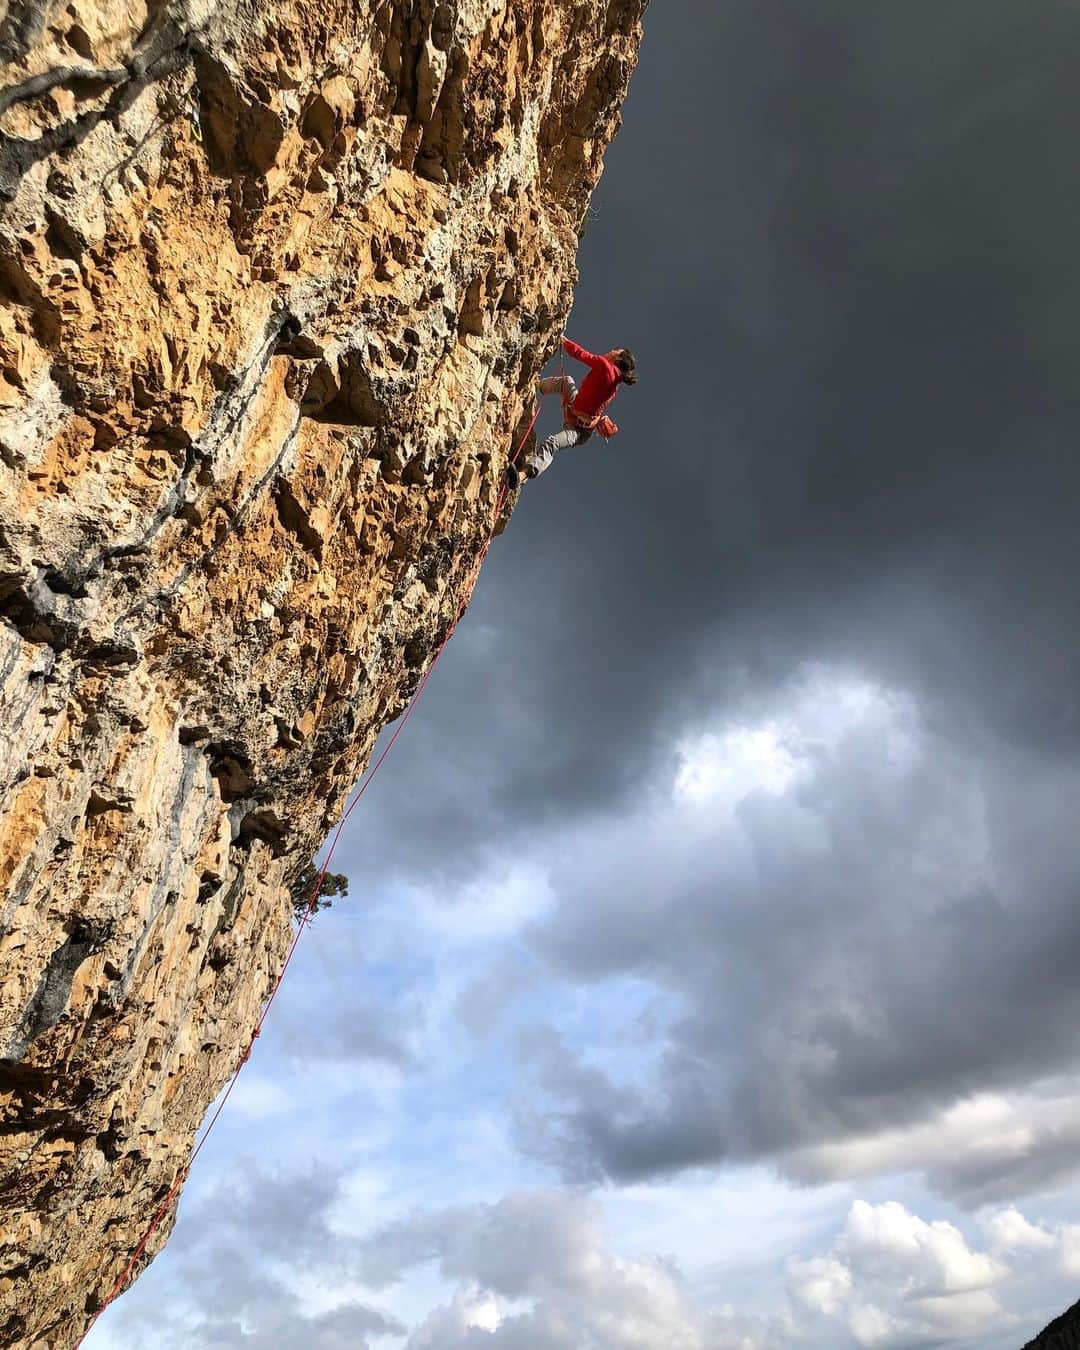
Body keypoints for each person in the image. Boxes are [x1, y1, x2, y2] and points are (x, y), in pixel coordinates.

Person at [506, 337, 637, 488]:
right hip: (578, 417)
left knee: (552, 442)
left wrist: (563, 340)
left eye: (616, 350)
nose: (612, 350)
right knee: (567, 382)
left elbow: (580, 354)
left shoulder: (605, 367)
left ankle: (520, 476)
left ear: (618, 357)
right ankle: (534, 385)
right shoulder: (614, 385)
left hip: (578, 430)